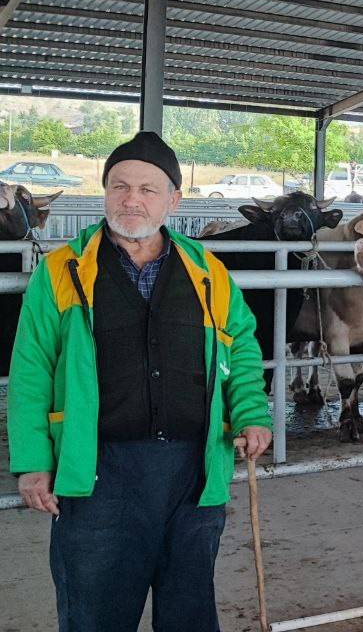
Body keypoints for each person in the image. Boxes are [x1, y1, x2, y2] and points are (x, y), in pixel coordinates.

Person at [7, 132, 273, 631]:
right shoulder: (61, 271)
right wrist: (33, 463)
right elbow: (31, 371)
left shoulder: (207, 271)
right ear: (105, 191)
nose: (132, 199)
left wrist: (252, 414)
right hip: (97, 473)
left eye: (149, 189)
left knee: (189, 613)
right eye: (119, 186)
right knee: (96, 615)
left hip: (193, 470)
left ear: (174, 198)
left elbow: (241, 347)